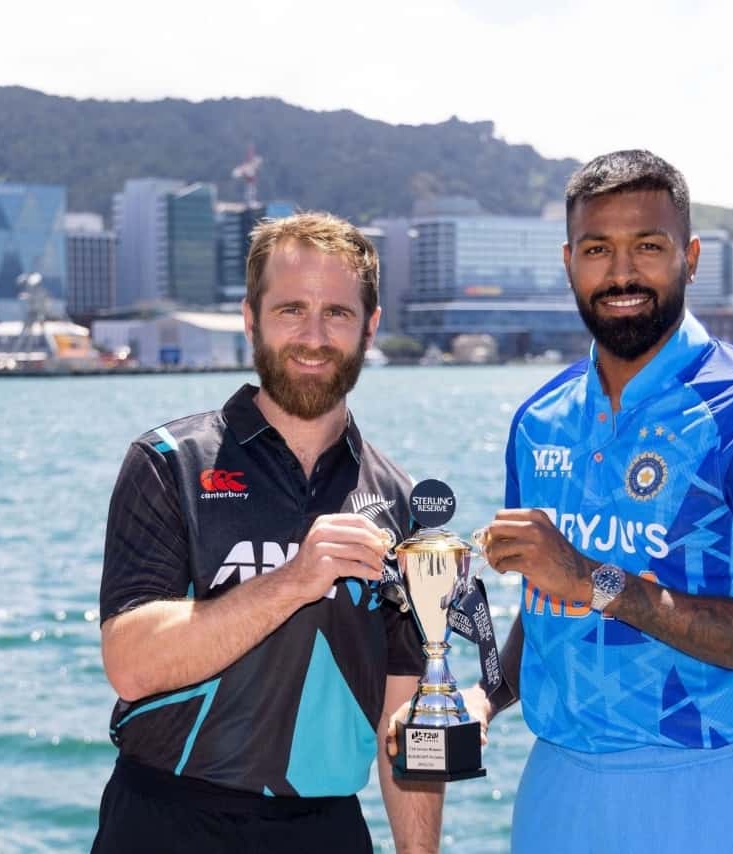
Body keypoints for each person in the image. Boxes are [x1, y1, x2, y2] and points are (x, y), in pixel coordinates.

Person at [401, 150, 733, 852]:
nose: (623, 272)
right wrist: (483, 696)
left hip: (703, 789)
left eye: (649, 247)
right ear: (569, 261)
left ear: (690, 258)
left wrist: (594, 582)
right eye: (599, 249)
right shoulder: (539, 418)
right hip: (556, 792)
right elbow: (545, 613)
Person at [94, 212, 442, 854]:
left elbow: (406, 715)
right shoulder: (169, 462)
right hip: (166, 821)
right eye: (290, 311)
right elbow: (131, 666)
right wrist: (293, 582)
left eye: (336, 313)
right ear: (251, 320)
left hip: (326, 828)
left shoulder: (399, 502)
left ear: (370, 326)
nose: (313, 336)